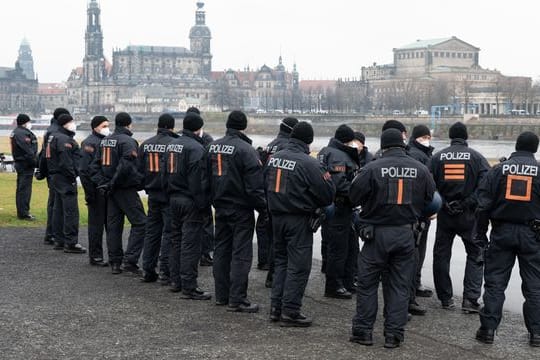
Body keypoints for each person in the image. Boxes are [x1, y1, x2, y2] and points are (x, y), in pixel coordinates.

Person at [349, 128, 436, 348]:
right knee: (399, 285)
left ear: (383, 146)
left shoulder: (370, 168)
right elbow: (430, 199)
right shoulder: (421, 169)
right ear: (403, 145)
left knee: (367, 285)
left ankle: (363, 332)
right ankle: (393, 335)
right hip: (406, 234)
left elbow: (353, 197)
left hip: (375, 235)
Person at [265, 121, 335, 327]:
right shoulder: (309, 163)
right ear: (309, 141)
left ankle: (276, 308)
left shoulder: (274, 158)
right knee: (298, 266)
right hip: (298, 220)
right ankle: (290, 311)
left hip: (276, 216)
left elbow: (263, 184)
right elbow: (327, 194)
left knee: (280, 263)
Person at [474, 132, 540, 347]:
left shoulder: (498, 170)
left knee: (495, 282)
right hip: (533, 234)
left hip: (501, 232)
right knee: (534, 285)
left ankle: (488, 330)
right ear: (535, 149)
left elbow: (482, 205)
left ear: (516, 146)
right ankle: (537, 334)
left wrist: (481, 234)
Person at [208, 110, 266, 313]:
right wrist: (264, 209)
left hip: (220, 206)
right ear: (244, 126)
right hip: (241, 208)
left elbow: (205, 178)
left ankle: (222, 296)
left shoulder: (212, 147)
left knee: (221, 250)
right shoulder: (246, 150)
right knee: (241, 253)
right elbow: (254, 187)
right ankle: (237, 298)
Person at [430, 122, 490, 312]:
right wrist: (467, 203)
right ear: (466, 137)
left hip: (445, 214)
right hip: (469, 215)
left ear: (450, 136)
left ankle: (445, 298)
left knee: (441, 255)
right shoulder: (477, 157)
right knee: (475, 254)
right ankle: (470, 300)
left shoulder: (437, 157)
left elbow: (428, 185)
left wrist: (444, 202)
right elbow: (486, 186)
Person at [90, 112, 146, 275]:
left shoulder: (105, 141)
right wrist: (112, 183)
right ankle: (130, 260)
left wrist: (104, 183)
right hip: (123, 188)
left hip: (110, 188)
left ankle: (115, 261)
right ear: (129, 124)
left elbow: (94, 166)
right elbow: (126, 166)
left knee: (114, 226)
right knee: (141, 223)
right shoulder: (128, 142)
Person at [165, 112, 211, 300]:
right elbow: (197, 182)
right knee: (190, 245)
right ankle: (189, 286)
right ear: (199, 129)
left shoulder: (172, 145)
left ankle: (175, 281)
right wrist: (203, 205)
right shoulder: (196, 149)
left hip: (173, 198)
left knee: (175, 241)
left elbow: (164, 172)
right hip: (190, 200)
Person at [318, 124, 360, 299]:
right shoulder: (337, 155)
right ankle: (334, 286)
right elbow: (339, 184)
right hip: (340, 207)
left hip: (336, 207)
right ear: (347, 141)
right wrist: (360, 193)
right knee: (339, 249)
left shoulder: (325, 151)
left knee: (349, 247)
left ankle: (347, 282)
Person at [138, 114, 178, 283]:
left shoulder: (146, 144)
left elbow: (138, 171)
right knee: (169, 233)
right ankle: (165, 271)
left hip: (152, 193)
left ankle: (147, 269)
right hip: (168, 194)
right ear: (171, 127)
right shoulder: (173, 145)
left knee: (152, 232)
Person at [260, 117, 299, 287]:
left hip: (268, 195)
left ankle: (267, 267)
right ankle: (274, 275)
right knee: (280, 243)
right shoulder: (286, 148)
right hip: (281, 196)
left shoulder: (271, 144)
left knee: (270, 236)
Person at [45, 114, 86, 254]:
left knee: (58, 209)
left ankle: (59, 239)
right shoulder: (64, 139)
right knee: (70, 211)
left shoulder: (53, 137)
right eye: (71, 122)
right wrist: (73, 175)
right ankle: (70, 242)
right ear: (65, 124)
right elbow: (65, 161)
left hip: (55, 176)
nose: (74, 124)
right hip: (64, 177)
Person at [406, 124, 435, 315]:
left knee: (417, 253)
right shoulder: (418, 156)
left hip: (416, 212)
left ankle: (414, 286)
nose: (427, 139)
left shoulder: (422, 154)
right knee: (414, 253)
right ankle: (410, 294)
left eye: (428, 136)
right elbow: (424, 186)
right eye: (424, 136)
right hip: (417, 213)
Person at [79, 116, 111, 266]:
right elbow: (84, 171)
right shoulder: (89, 143)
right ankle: (96, 256)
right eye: (104, 126)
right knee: (96, 226)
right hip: (96, 190)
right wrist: (90, 193)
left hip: (106, 189)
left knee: (109, 224)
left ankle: (111, 255)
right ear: (95, 127)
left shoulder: (106, 142)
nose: (107, 128)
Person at [186, 106, 214, 267]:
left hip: (202, 188)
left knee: (206, 223)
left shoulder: (207, 140)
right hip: (191, 190)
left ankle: (205, 253)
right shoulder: (203, 141)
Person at [39, 107, 71, 245]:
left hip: (51, 171)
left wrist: (42, 170)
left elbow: (43, 153)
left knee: (54, 203)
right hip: (57, 171)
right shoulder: (56, 133)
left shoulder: (50, 130)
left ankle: (52, 232)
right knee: (56, 204)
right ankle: (53, 233)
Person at [10, 114, 37, 221]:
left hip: (21, 162)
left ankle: (22, 211)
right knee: (24, 189)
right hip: (25, 164)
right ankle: (23, 213)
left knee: (21, 188)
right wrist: (35, 162)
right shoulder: (22, 134)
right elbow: (27, 150)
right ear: (25, 122)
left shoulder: (16, 132)